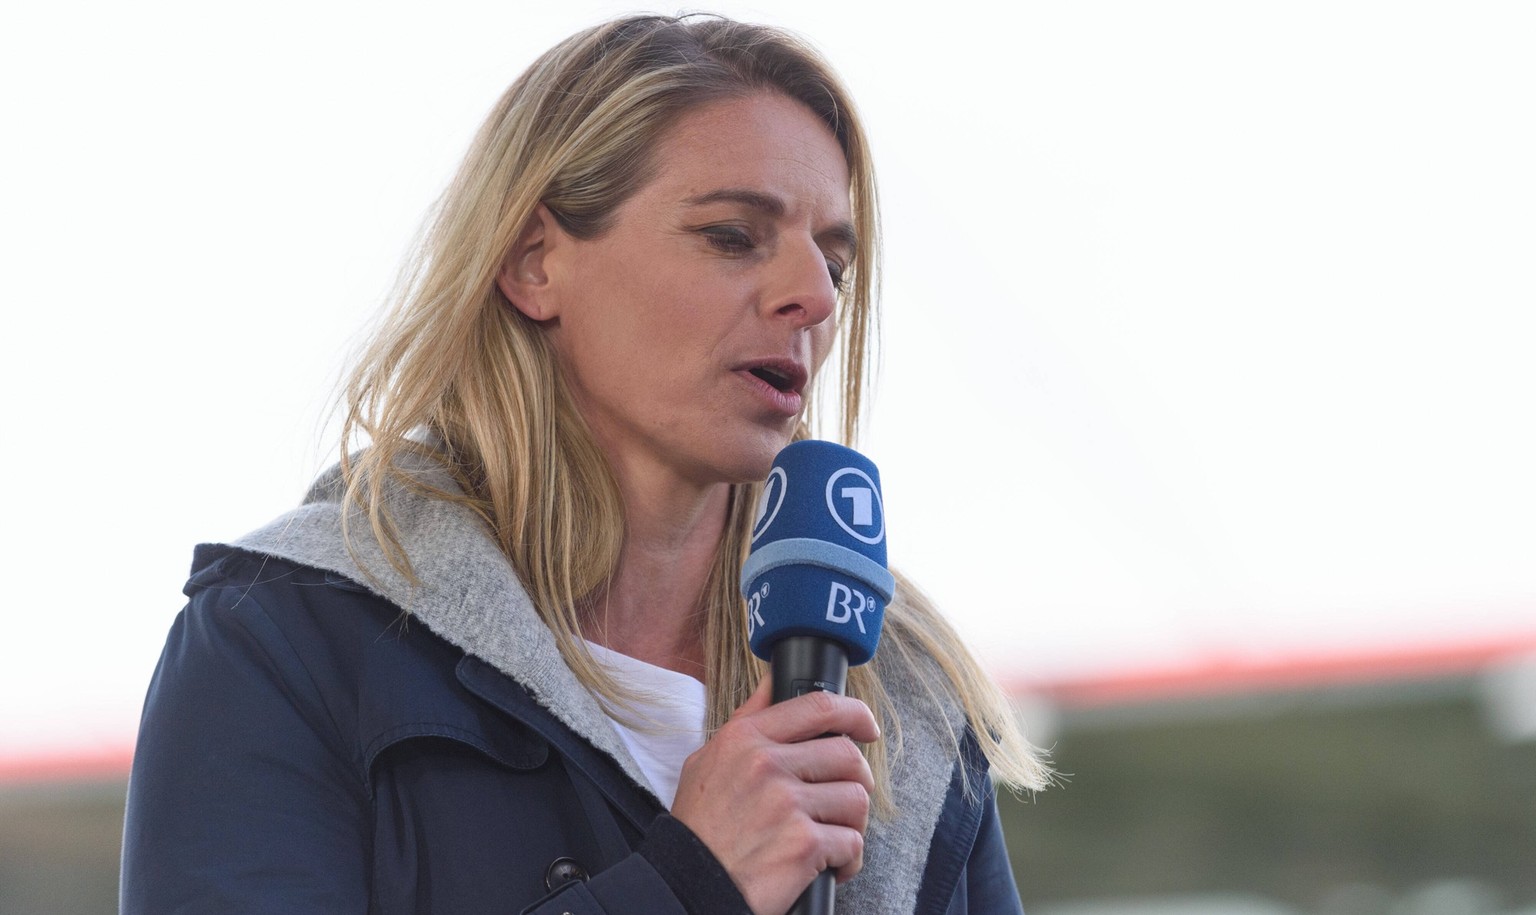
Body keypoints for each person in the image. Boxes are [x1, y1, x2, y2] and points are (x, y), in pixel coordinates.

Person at [120, 14, 1050, 915]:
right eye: (732, 235)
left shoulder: (906, 692)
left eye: (835, 266)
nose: (811, 296)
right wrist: (691, 884)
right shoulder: (286, 639)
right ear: (533, 263)